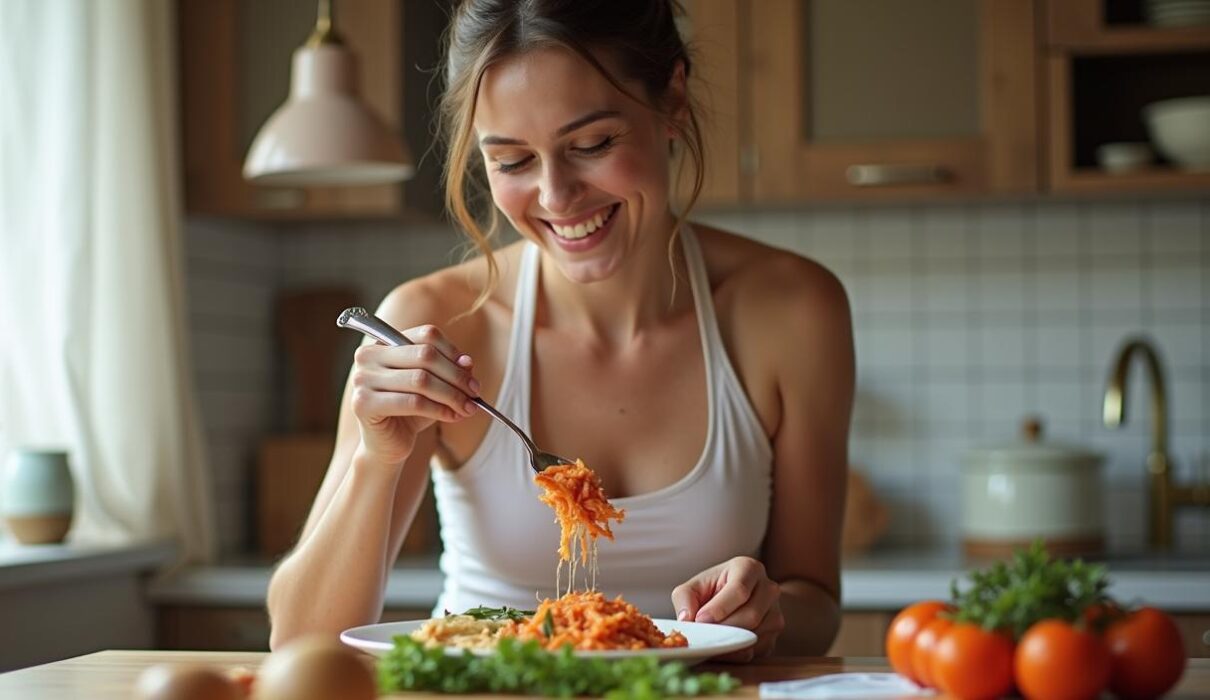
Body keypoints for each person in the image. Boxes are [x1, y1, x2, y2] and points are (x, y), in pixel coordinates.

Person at [267, 0, 854, 660]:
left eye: (593, 144)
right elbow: (299, 644)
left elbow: (815, 603)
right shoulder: (433, 324)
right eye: (514, 161)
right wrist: (378, 462)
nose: (556, 196)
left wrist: (768, 611)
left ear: (674, 101)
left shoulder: (793, 311)